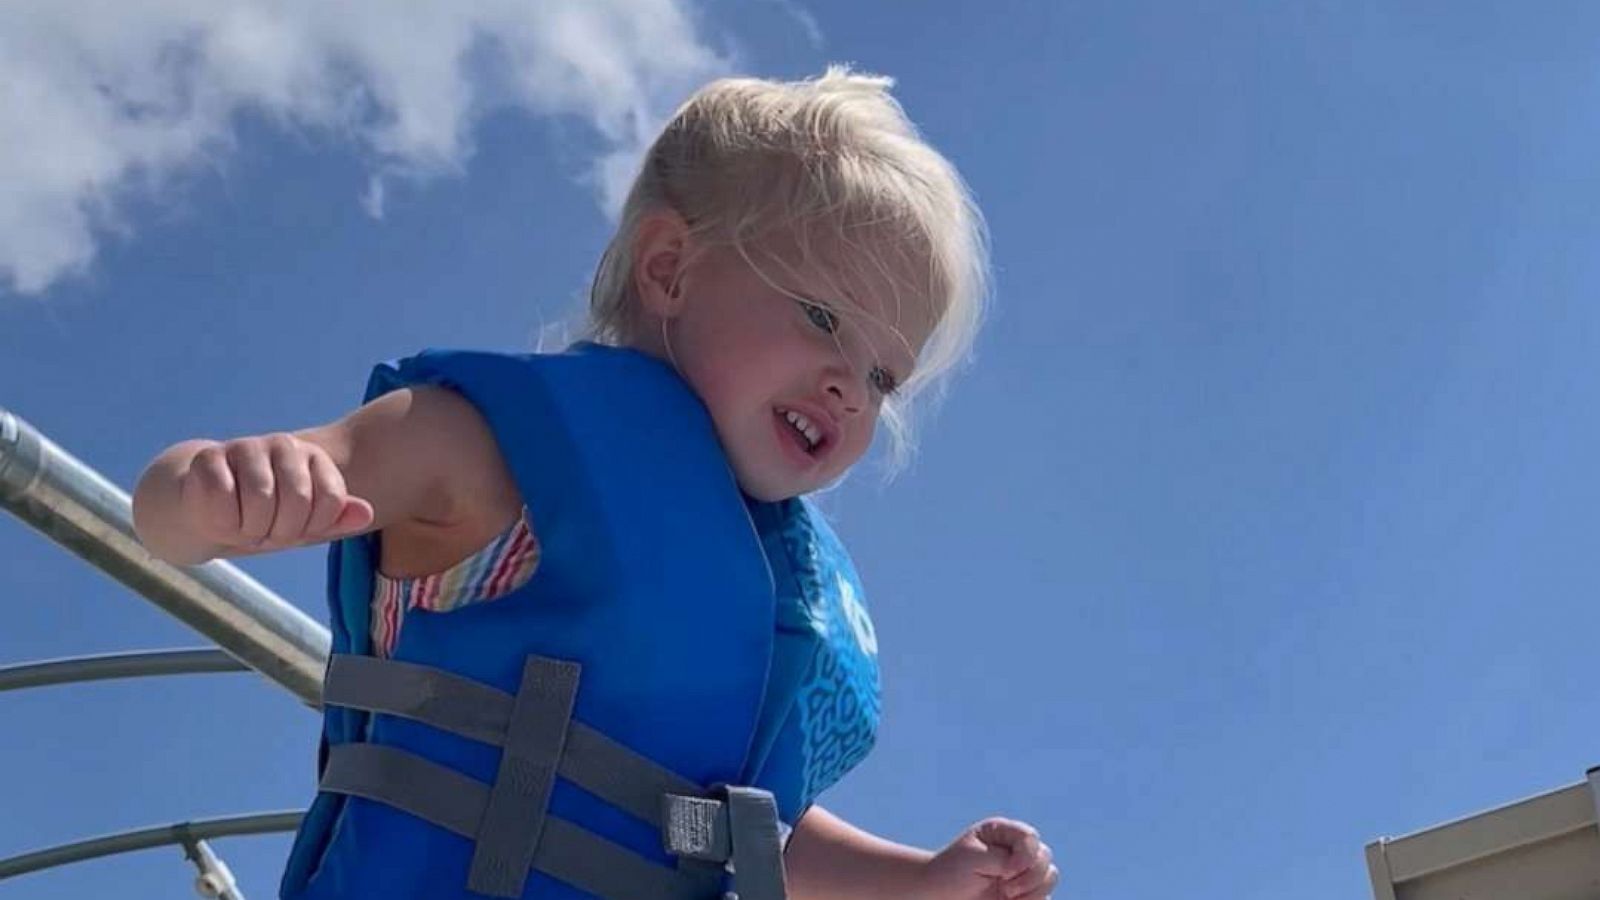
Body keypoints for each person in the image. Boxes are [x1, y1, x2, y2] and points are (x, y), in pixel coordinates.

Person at [133, 66, 1059, 900]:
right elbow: (170, 518)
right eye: (823, 317)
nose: (849, 392)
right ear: (669, 270)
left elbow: (740, 829)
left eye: (882, 378)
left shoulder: (763, 597)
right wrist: (215, 491)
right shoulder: (487, 449)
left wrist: (921, 881)